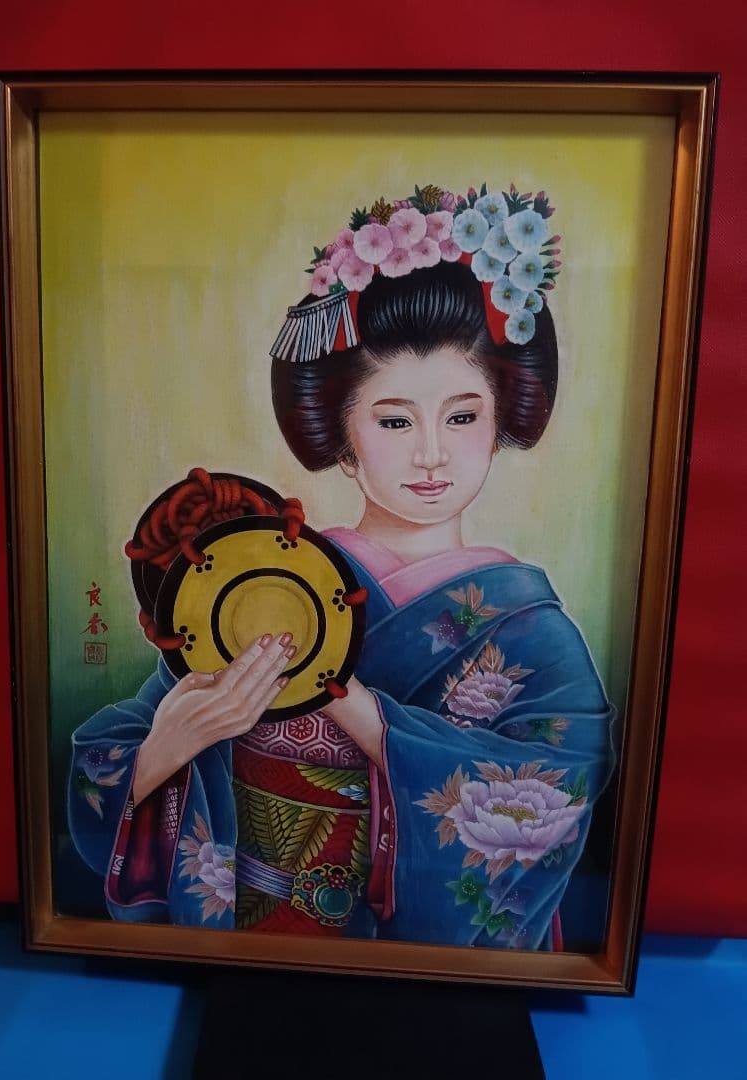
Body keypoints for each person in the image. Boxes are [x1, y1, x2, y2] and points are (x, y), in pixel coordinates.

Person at [69, 183, 615, 949]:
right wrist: (166, 747)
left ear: (499, 425)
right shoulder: (265, 574)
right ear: (342, 437)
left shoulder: (528, 630)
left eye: (462, 416)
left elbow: (563, 791)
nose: (431, 454)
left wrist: (364, 717)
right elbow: (125, 742)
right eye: (393, 421)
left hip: (423, 969)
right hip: (250, 940)